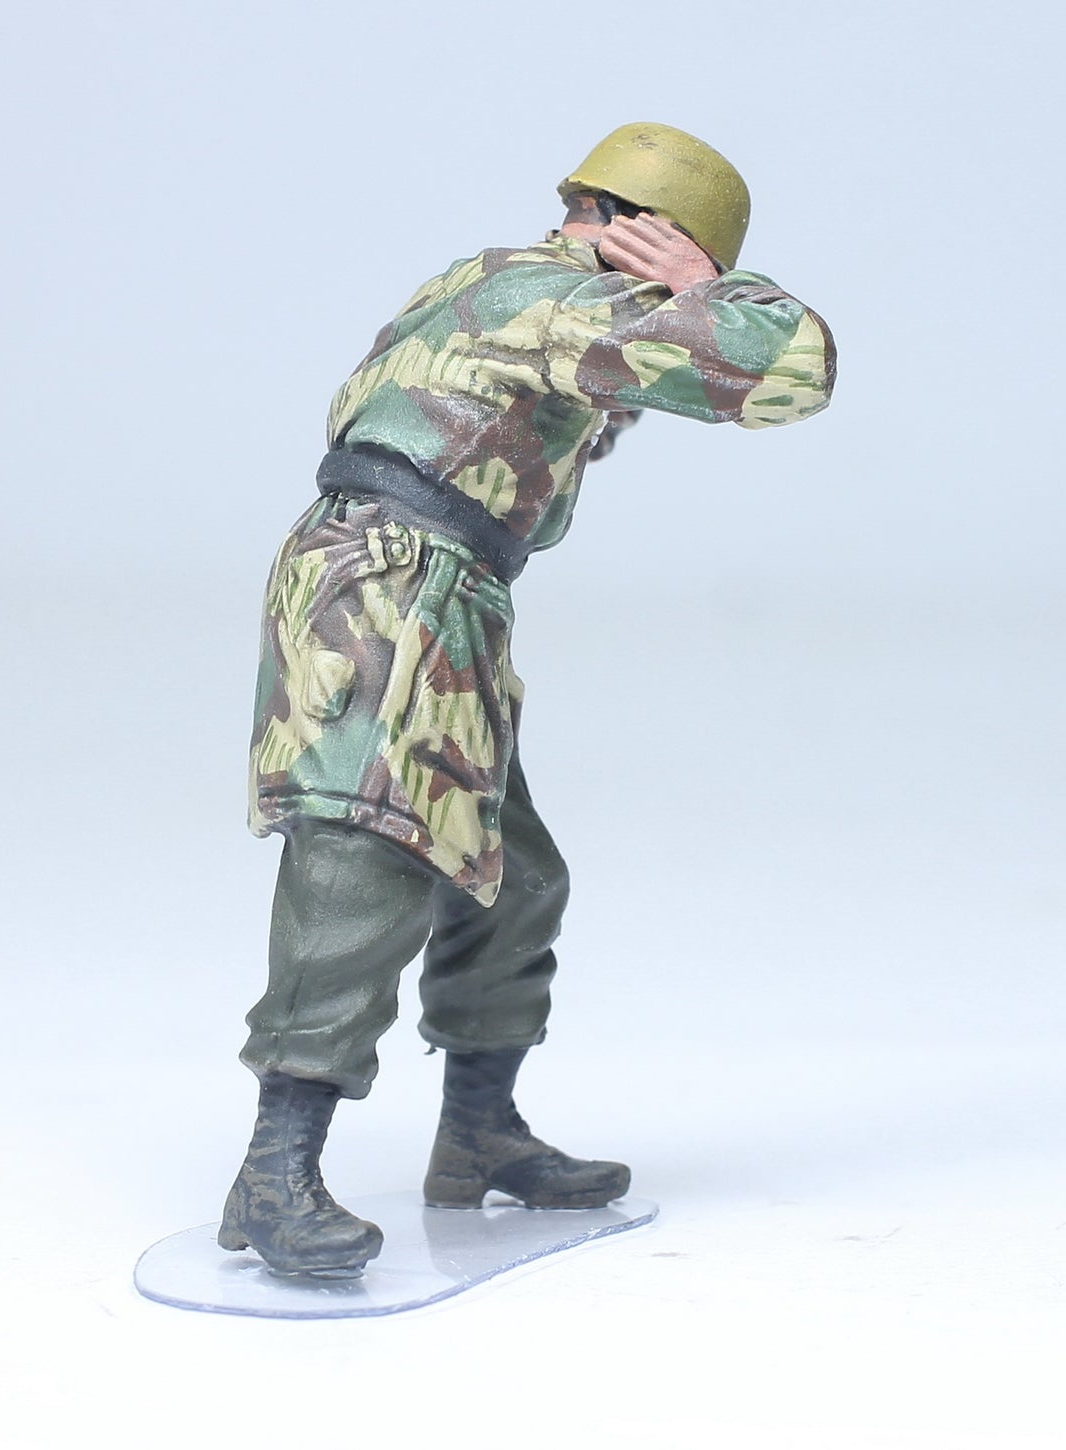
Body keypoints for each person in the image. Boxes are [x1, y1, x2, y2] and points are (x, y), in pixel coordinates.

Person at [221, 123, 837, 1276]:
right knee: (362, 857)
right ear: (647, 235)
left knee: (508, 874)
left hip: (437, 583)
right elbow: (788, 368)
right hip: (396, 581)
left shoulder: (498, 285)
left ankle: (477, 1133)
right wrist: (705, 290)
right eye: (680, 255)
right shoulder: (560, 296)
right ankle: (274, 1172)